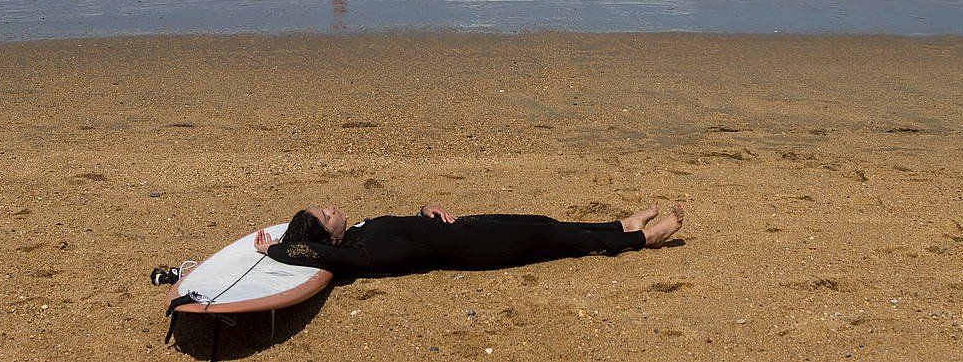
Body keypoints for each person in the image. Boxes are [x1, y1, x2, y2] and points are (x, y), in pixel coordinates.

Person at [253, 201, 684, 277]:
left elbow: (407, 225)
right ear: (328, 234)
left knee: (545, 223)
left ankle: (618, 227)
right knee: (553, 238)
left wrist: (425, 209)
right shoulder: (360, 254)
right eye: (324, 214)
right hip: (480, 249)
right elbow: (301, 252)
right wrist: (272, 248)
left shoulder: (362, 231)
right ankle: (644, 239)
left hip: (471, 228)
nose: (330, 208)